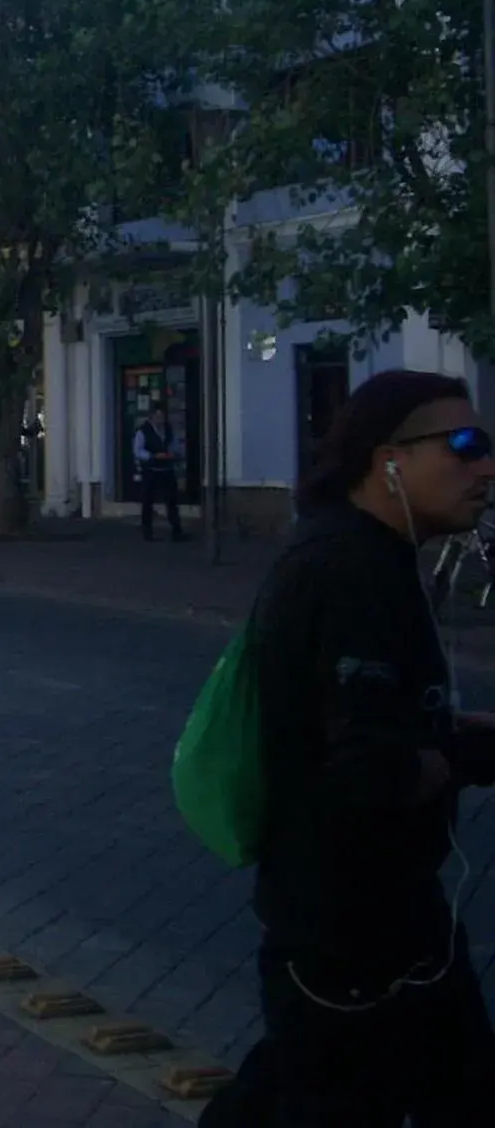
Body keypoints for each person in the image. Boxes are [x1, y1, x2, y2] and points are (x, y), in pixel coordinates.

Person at [201, 369, 495, 1127]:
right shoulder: (347, 570)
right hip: (351, 934)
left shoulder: (374, 556)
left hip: (389, 921)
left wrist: (454, 736)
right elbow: (368, 768)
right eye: (462, 445)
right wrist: (464, 760)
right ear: (386, 457)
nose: (485, 465)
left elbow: (356, 718)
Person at [135, 404, 186, 542]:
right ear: (151, 416)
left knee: (171, 501)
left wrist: (174, 453)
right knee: (147, 501)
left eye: (162, 417)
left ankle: (177, 530)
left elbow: (175, 444)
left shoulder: (168, 430)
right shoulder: (143, 431)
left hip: (166, 469)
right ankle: (147, 531)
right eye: (157, 416)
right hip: (151, 471)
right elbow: (138, 451)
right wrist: (153, 456)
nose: (160, 419)